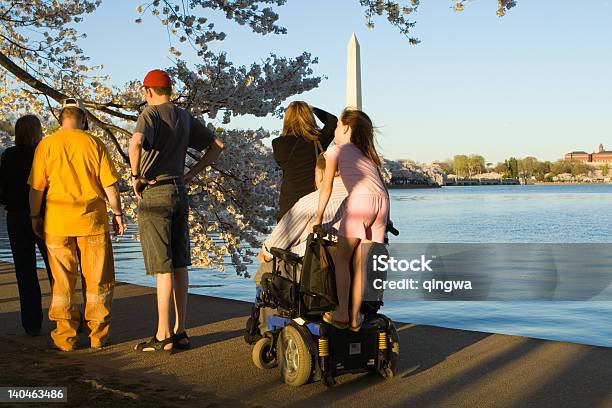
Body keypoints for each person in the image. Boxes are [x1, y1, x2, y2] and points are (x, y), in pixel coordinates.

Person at [129, 69, 225, 352]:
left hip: (156, 191)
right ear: (169, 91)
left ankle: (162, 334)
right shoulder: (183, 116)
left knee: (162, 266)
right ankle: (180, 330)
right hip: (179, 192)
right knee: (180, 262)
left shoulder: (150, 115)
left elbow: (135, 143)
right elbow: (217, 146)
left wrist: (135, 176)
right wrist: (190, 174)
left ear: (147, 91)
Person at [28, 98, 125, 351]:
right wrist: (118, 214)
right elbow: (110, 187)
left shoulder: (46, 145)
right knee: (98, 281)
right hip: (92, 221)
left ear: (62, 118)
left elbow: (37, 188)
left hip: (57, 222)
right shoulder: (94, 144)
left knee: (62, 283)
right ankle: (97, 336)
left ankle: (65, 337)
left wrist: (34, 216)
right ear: (83, 119)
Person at [312, 108, 389, 332]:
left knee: (342, 260)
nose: (335, 129)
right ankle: (356, 316)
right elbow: (382, 187)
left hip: (361, 202)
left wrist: (318, 218)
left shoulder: (336, 150)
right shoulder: (368, 155)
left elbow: (326, 187)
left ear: (345, 127)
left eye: (336, 126)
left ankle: (342, 311)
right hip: (382, 204)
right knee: (361, 265)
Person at [254, 154, 348, 334]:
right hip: (354, 273)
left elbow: (274, 245)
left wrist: (265, 252)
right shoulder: (368, 201)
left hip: (316, 277)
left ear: (321, 173)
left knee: (265, 271)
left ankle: (269, 333)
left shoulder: (311, 202)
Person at [0, 115, 53, 336]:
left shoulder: (8, 156)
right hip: (43, 216)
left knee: (25, 271)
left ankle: (31, 322)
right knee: (55, 269)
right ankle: (66, 316)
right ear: (36, 132)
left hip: (15, 216)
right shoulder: (42, 155)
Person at [272, 102, 337, 221]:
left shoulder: (278, 144)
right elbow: (333, 121)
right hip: (314, 200)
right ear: (308, 117)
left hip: (289, 204)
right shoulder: (318, 140)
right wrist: (313, 109)